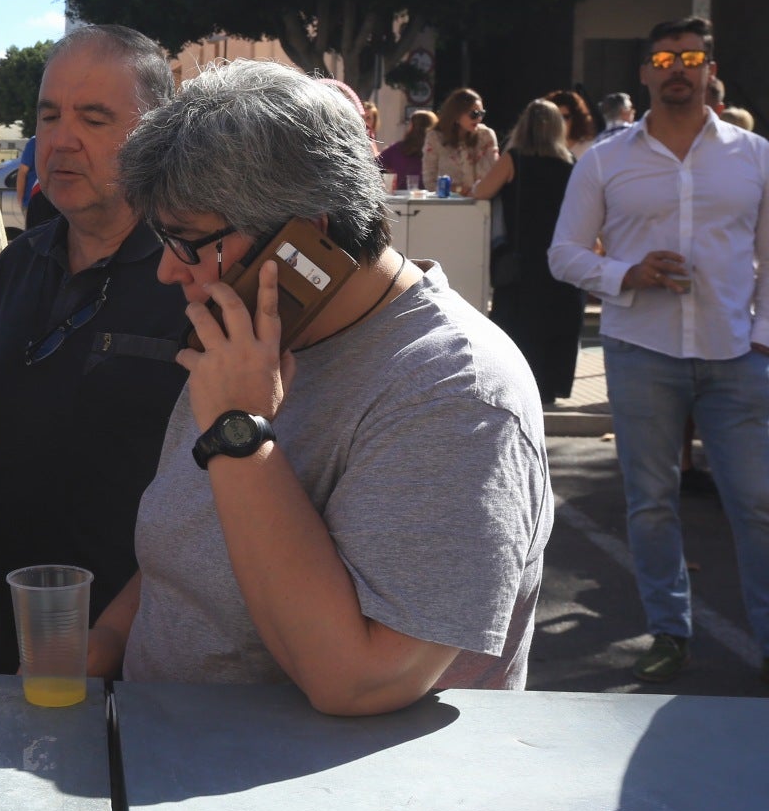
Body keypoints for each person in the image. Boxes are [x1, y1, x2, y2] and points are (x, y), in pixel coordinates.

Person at [96, 59, 551, 715]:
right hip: (160, 753)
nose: (168, 270)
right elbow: (197, 541)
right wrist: (105, 640)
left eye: (189, 240)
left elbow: (358, 678)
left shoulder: (454, 394)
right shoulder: (259, 336)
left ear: (305, 237)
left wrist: (239, 434)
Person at [0, 26, 188, 674]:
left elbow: (219, 508)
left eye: (94, 118)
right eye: (49, 114)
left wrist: (111, 640)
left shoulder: (197, 281)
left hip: (154, 678)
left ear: (158, 133)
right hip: (18, 659)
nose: (61, 139)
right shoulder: (13, 271)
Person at [548, 17, 769, 687]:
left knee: (756, 503)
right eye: (665, 58)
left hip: (737, 354)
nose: (678, 67)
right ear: (644, 73)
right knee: (650, 502)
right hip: (641, 350)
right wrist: (627, 274)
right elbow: (562, 253)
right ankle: (669, 632)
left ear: (710, 69)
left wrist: (763, 342)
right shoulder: (606, 159)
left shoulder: (753, 155)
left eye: (692, 57)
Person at [473, 100, 585, 405]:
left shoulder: (515, 160)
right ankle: (550, 388)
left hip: (522, 260)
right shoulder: (571, 163)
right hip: (561, 258)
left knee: (521, 328)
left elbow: (481, 192)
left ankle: (519, 390)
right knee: (555, 327)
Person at [421, 88, 499, 195]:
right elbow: (429, 182)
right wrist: (458, 189)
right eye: (474, 114)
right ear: (456, 114)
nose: (479, 119)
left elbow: (496, 174)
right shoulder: (435, 138)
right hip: (449, 205)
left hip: (481, 202)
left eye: (482, 113)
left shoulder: (486, 135)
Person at [376, 110, 435, 189]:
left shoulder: (396, 149)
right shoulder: (436, 150)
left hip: (401, 197)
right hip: (432, 197)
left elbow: (374, 165)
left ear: (411, 126)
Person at [543, 89, 597, 158]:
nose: (559, 122)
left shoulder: (591, 150)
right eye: (555, 117)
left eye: (565, 117)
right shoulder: (542, 151)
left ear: (576, 119)